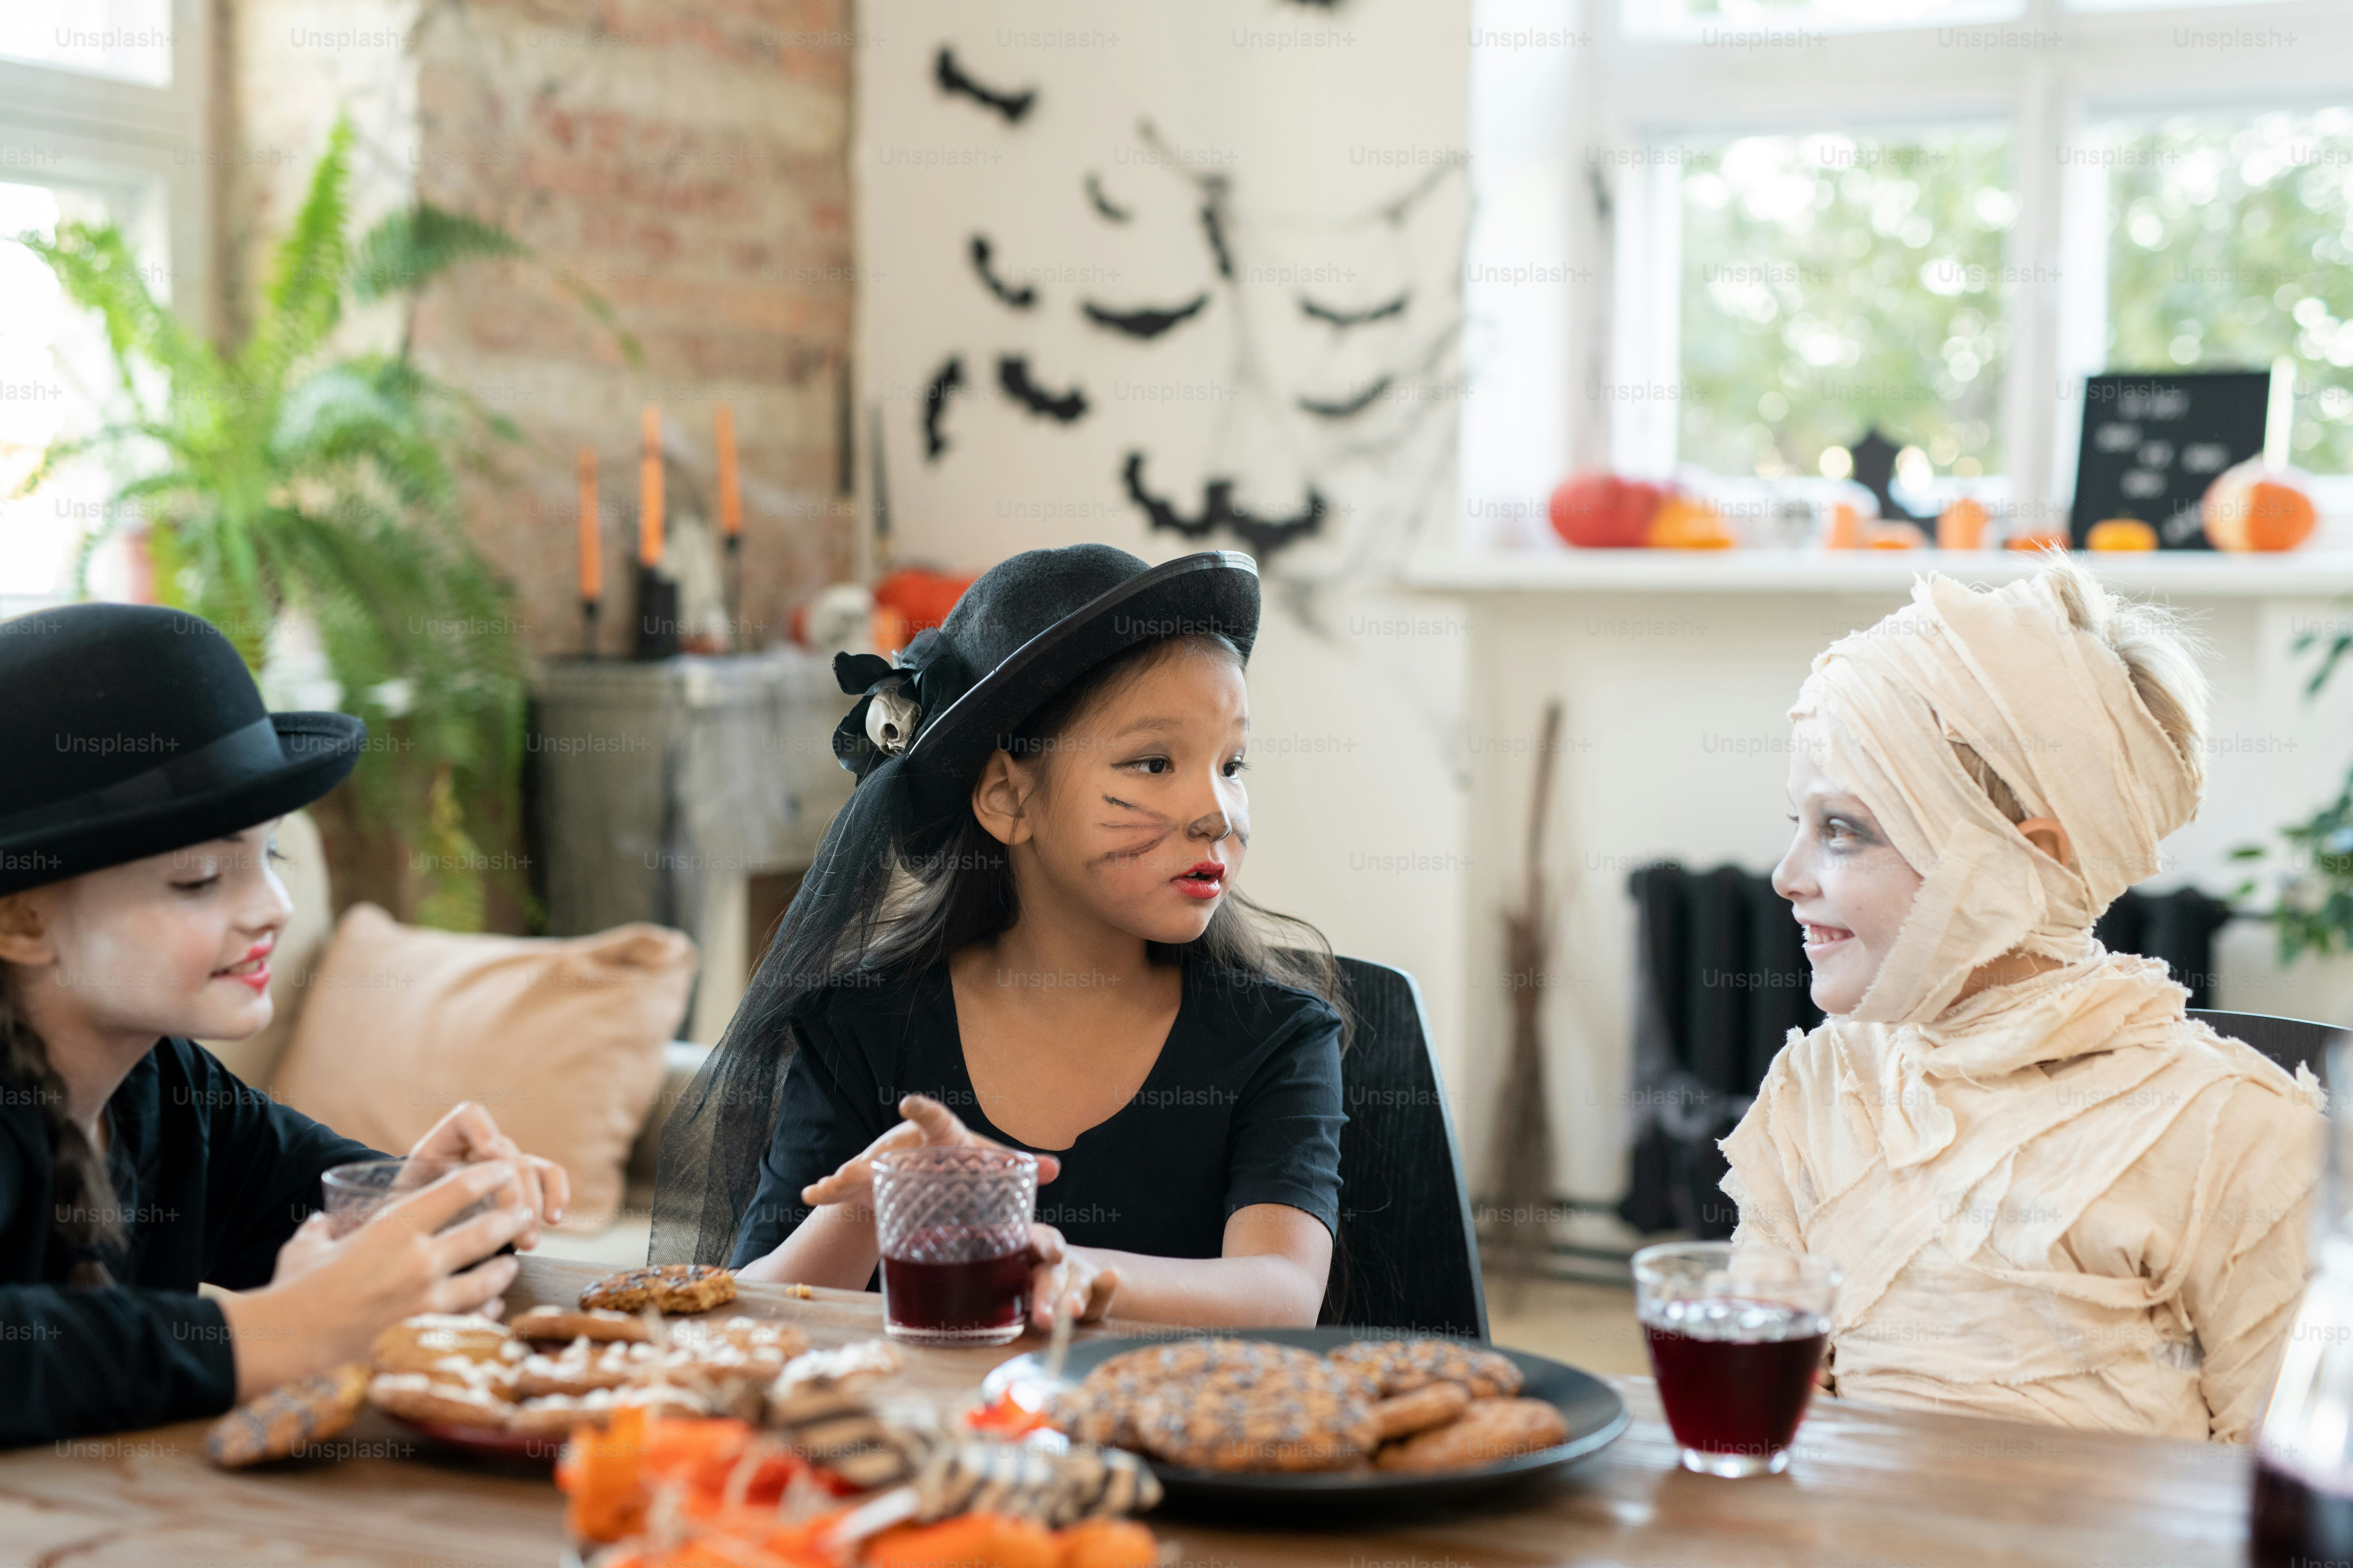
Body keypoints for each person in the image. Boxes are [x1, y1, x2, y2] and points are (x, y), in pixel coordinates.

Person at [652, 545, 1346, 1331]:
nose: (1217, 811)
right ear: (1008, 798)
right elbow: (754, 1314)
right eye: (1155, 762)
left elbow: (1282, 1291)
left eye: (1232, 763)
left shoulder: (1276, 1042)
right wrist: (885, 1201)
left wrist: (1081, 1268)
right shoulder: (863, 1032)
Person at [1722, 555, 2324, 1442]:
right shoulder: (1818, 1090)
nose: (1786, 876)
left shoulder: (2238, 1134)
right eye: (1797, 825)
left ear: (2022, 861)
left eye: (1842, 831)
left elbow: (2300, 1487)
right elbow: (1755, 1415)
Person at [0, 604, 568, 1445]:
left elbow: (303, 1198)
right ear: (23, 922)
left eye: (271, 856)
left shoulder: (167, 1085)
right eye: (199, 878)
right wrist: (270, 1334)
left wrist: (420, 1205)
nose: (275, 908)